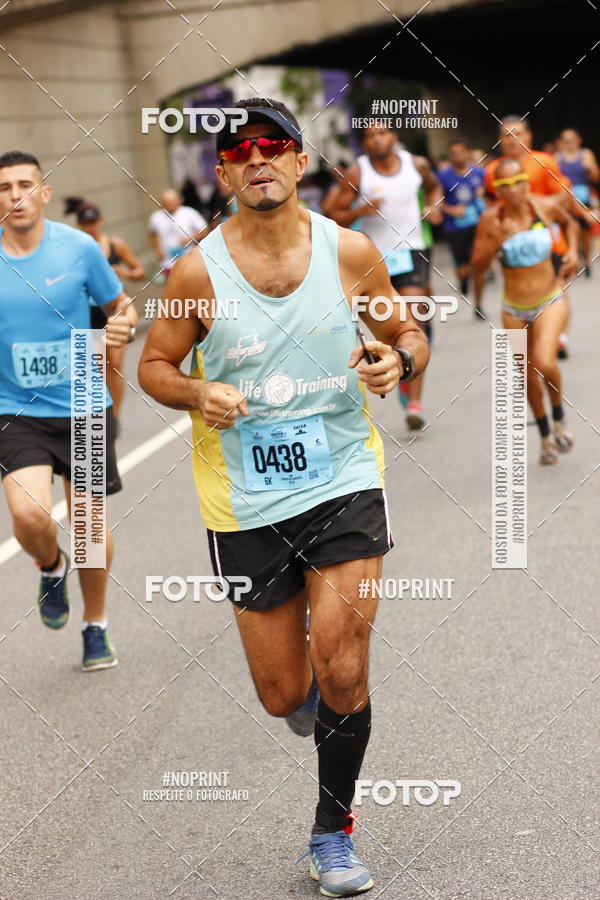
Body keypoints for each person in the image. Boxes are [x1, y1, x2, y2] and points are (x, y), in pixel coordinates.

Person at [138, 97, 429, 897]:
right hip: (245, 501)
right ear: (225, 173)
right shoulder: (197, 269)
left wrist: (395, 363)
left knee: (342, 664)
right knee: (283, 695)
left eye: (275, 143)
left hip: (342, 481)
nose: (258, 156)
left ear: (302, 161)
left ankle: (332, 832)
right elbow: (154, 366)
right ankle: (308, 700)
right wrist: (198, 394)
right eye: (240, 150)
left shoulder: (351, 251)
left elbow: (408, 333)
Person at [0, 150, 137, 670]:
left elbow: (120, 307)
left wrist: (121, 326)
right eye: (5, 186)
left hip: (82, 402)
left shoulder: (79, 248)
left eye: (25, 184)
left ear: (44, 193)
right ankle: (49, 565)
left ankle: (94, 626)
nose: (16, 195)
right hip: (15, 407)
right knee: (29, 514)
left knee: (88, 527)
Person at [329, 121, 442, 431]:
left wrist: (434, 204)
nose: (377, 140)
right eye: (370, 136)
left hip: (412, 249)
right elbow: (332, 211)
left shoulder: (415, 164)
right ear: (364, 143)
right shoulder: (357, 172)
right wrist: (357, 213)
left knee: (414, 318)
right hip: (372, 256)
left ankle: (414, 399)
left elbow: (434, 187)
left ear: (395, 137)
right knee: (387, 328)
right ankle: (401, 370)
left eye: (382, 133)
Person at [471, 158, 578, 465]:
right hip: (513, 308)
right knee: (526, 376)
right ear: (496, 190)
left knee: (546, 362)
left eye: (518, 182)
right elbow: (476, 269)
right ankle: (546, 437)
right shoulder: (491, 220)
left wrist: (571, 251)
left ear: (527, 182)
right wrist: (495, 243)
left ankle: (559, 417)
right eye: (504, 186)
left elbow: (569, 221)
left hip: (549, 299)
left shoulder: (542, 207)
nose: (514, 190)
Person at [485, 116, 574, 358]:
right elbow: (490, 204)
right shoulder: (492, 170)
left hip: (546, 235)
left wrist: (535, 206)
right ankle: (534, 334)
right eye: (506, 135)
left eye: (518, 134)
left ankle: (559, 336)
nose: (513, 140)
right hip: (513, 243)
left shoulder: (544, 161)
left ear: (529, 136)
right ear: (499, 141)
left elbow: (562, 196)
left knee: (557, 283)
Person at [64, 197, 145, 431]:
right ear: (80, 224)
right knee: (97, 368)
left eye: (94, 222)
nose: (91, 227)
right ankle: (101, 415)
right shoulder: (75, 247)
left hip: (112, 311)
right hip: (88, 313)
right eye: (86, 224)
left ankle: (115, 418)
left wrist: (123, 273)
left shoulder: (115, 244)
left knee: (115, 365)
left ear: (100, 220)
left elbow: (139, 270)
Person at [437, 139, 486, 316]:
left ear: (467, 152)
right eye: (454, 154)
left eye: (461, 152)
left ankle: (479, 306)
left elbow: (491, 195)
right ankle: (464, 279)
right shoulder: (443, 176)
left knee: (479, 266)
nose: (458, 157)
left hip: (477, 225)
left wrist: (483, 196)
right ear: (451, 157)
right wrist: (451, 210)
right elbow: (436, 201)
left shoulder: (479, 172)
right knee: (463, 269)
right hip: (455, 228)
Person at [556, 128, 600, 277]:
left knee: (586, 234)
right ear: (561, 143)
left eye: (572, 140)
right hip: (566, 200)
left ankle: (587, 260)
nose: (569, 144)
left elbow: (596, 178)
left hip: (584, 199)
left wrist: (590, 167)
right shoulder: (558, 158)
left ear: (578, 140)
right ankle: (575, 259)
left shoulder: (586, 154)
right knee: (570, 230)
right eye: (566, 141)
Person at [148, 188, 209, 277]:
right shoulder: (155, 217)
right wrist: (157, 249)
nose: (169, 205)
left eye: (172, 202)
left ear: (178, 201)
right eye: (166, 203)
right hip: (168, 263)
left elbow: (205, 230)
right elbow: (152, 233)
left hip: (190, 260)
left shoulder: (189, 212)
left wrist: (191, 238)